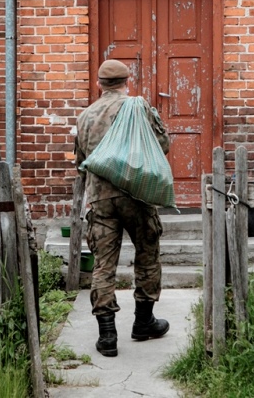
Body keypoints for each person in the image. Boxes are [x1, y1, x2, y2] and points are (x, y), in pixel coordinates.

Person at [74, 59, 171, 357]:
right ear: (127, 81)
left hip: (101, 199)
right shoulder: (137, 108)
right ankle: (143, 323)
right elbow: (162, 145)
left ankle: (107, 337)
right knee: (147, 254)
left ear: (99, 84)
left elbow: (81, 163)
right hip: (136, 194)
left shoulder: (85, 116)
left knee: (104, 264)